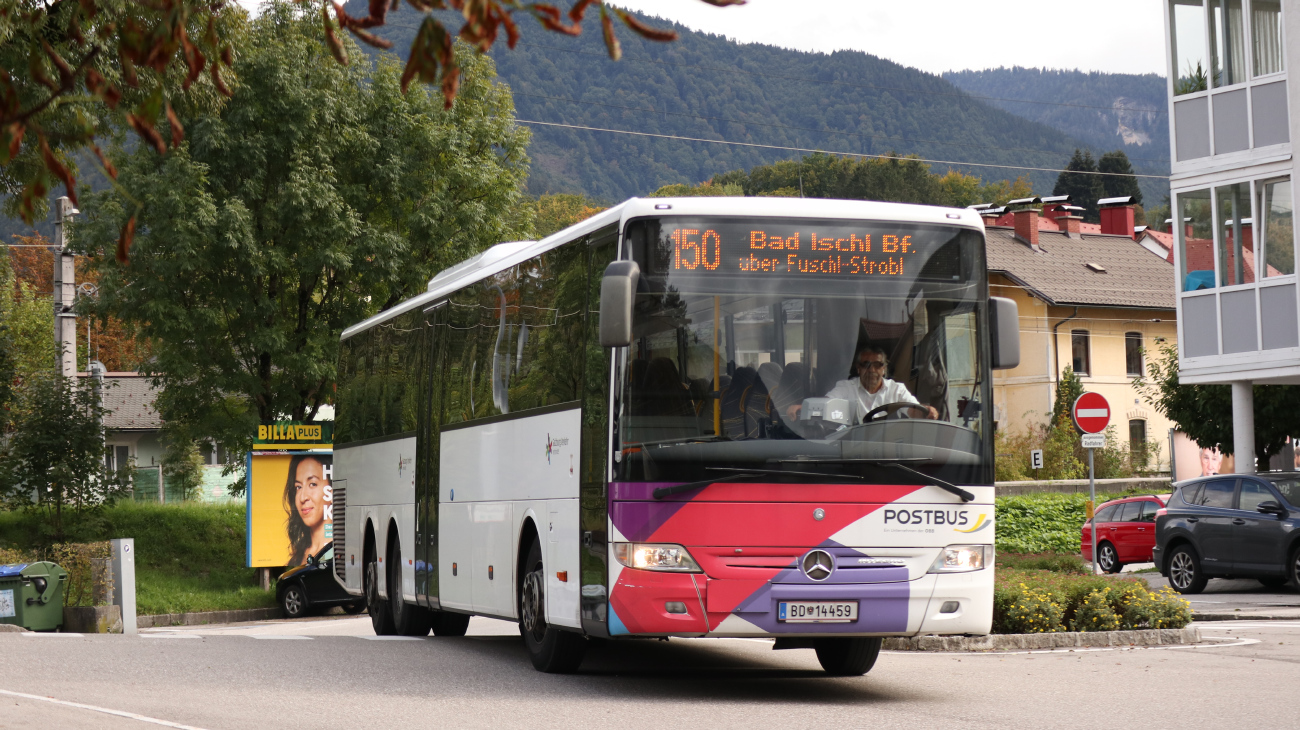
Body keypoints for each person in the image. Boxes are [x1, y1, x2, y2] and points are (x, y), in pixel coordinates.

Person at [823, 345, 938, 423]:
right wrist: (807, 408)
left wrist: (927, 411)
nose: (872, 370)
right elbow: (824, 405)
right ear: (858, 368)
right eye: (866, 364)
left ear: (884, 369)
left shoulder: (896, 390)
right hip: (853, 451)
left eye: (877, 365)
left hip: (887, 451)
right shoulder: (846, 388)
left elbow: (913, 411)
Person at [284, 454, 332, 566]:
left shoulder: (342, 549)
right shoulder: (298, 555)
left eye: (313, 484)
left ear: (331, 490)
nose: (302, 498)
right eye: (298, 487)